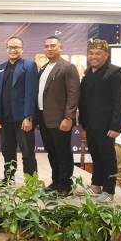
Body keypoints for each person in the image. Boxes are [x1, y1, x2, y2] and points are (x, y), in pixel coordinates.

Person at [78, 38, 121, 204]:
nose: (94, 56)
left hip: (107, 125)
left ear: (106, 55)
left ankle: (109, 190)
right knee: (96, 156)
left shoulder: (115, 72)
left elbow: (119, 101)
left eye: (98, 53)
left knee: (107, 157)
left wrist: (116, 126)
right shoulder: (88, 73)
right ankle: (96, 185)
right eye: (91, 53)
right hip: (90, 123)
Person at [0, 36, 38, 183]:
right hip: (4, 119)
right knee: (7, 151)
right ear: (6, 49)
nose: (13, 50)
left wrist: (28, 117)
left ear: (21, 49)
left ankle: (31, 182)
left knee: (27, 152)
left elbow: (31, 93)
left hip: (23, 119)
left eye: (16, 47)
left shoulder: (29, 66)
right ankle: (9, 178)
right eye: (10, 47)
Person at [36, 36, 80, 195]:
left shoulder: (68, 67)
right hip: (43, 117)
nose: (49, 49)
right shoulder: (44, 67)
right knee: (52, 152)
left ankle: (65, 185)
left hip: (61, 119)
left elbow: (73, 94)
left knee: (63, 153)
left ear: (60, 48)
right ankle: (56, 182)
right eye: (47, 46)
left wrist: (68, 117)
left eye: (53, 46)